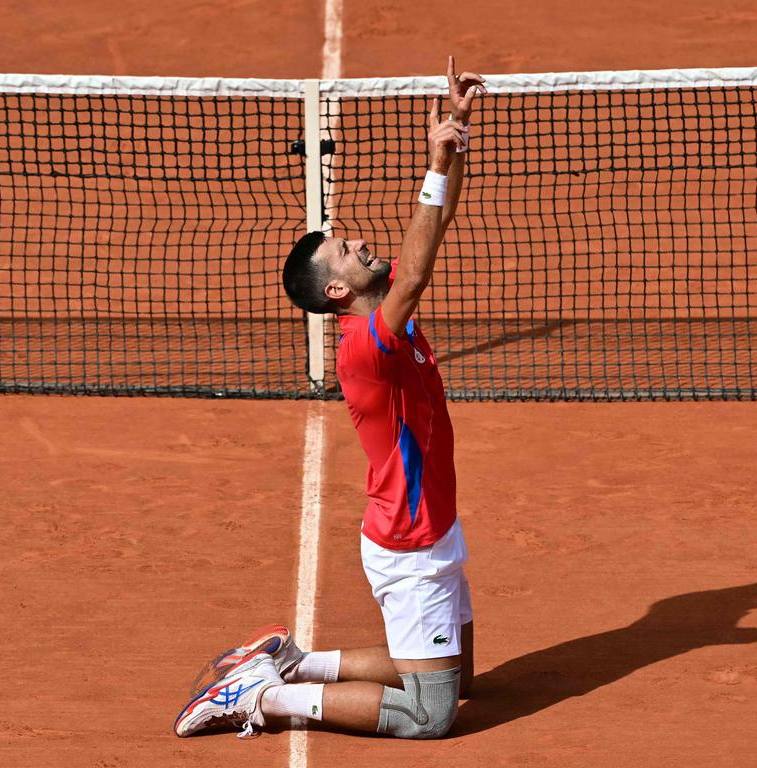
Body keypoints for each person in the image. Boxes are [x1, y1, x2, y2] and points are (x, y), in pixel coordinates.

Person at [174, 56, 486, 741]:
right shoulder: (365, 345)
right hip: (412, 545)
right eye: (347, 249)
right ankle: (265, 701)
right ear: (339, 292)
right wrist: (435, 159)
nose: (363, 243)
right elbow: (421, 260)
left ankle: (292, 664)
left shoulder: (385, 315)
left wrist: (454, 133)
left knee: (459, 677)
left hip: (434, 525)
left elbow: (432, 232)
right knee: (431, 714)